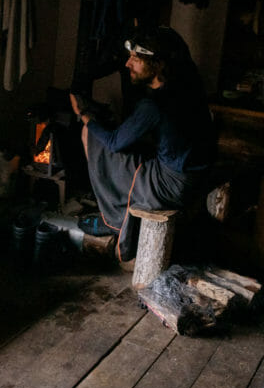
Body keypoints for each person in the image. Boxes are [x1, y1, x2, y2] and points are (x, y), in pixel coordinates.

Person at [70, 26, 215, 263]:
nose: (128, 64)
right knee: (127, 145)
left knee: (92, 135)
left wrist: (84, 114)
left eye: (136, 60)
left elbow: (114, 143)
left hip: (170, 186)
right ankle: (117, 215)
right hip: (195, 177)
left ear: (158, 65)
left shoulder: (154, 105)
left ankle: (114, 220)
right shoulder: (188, 87)